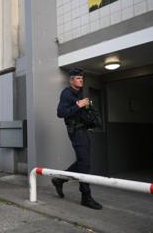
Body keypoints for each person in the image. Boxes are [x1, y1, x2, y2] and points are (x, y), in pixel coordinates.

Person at [52, 68, 103, 210]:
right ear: (71, 80)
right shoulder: (67, 93)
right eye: (78, 78)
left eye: (82, 78)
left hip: (83, 130)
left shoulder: (80, 93)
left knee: (83, 162)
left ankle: (59, 180)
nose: (81, 80)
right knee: (85, 163)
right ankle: (86, 197)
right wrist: (78, 105)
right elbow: (60, 113)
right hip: (76, 132)